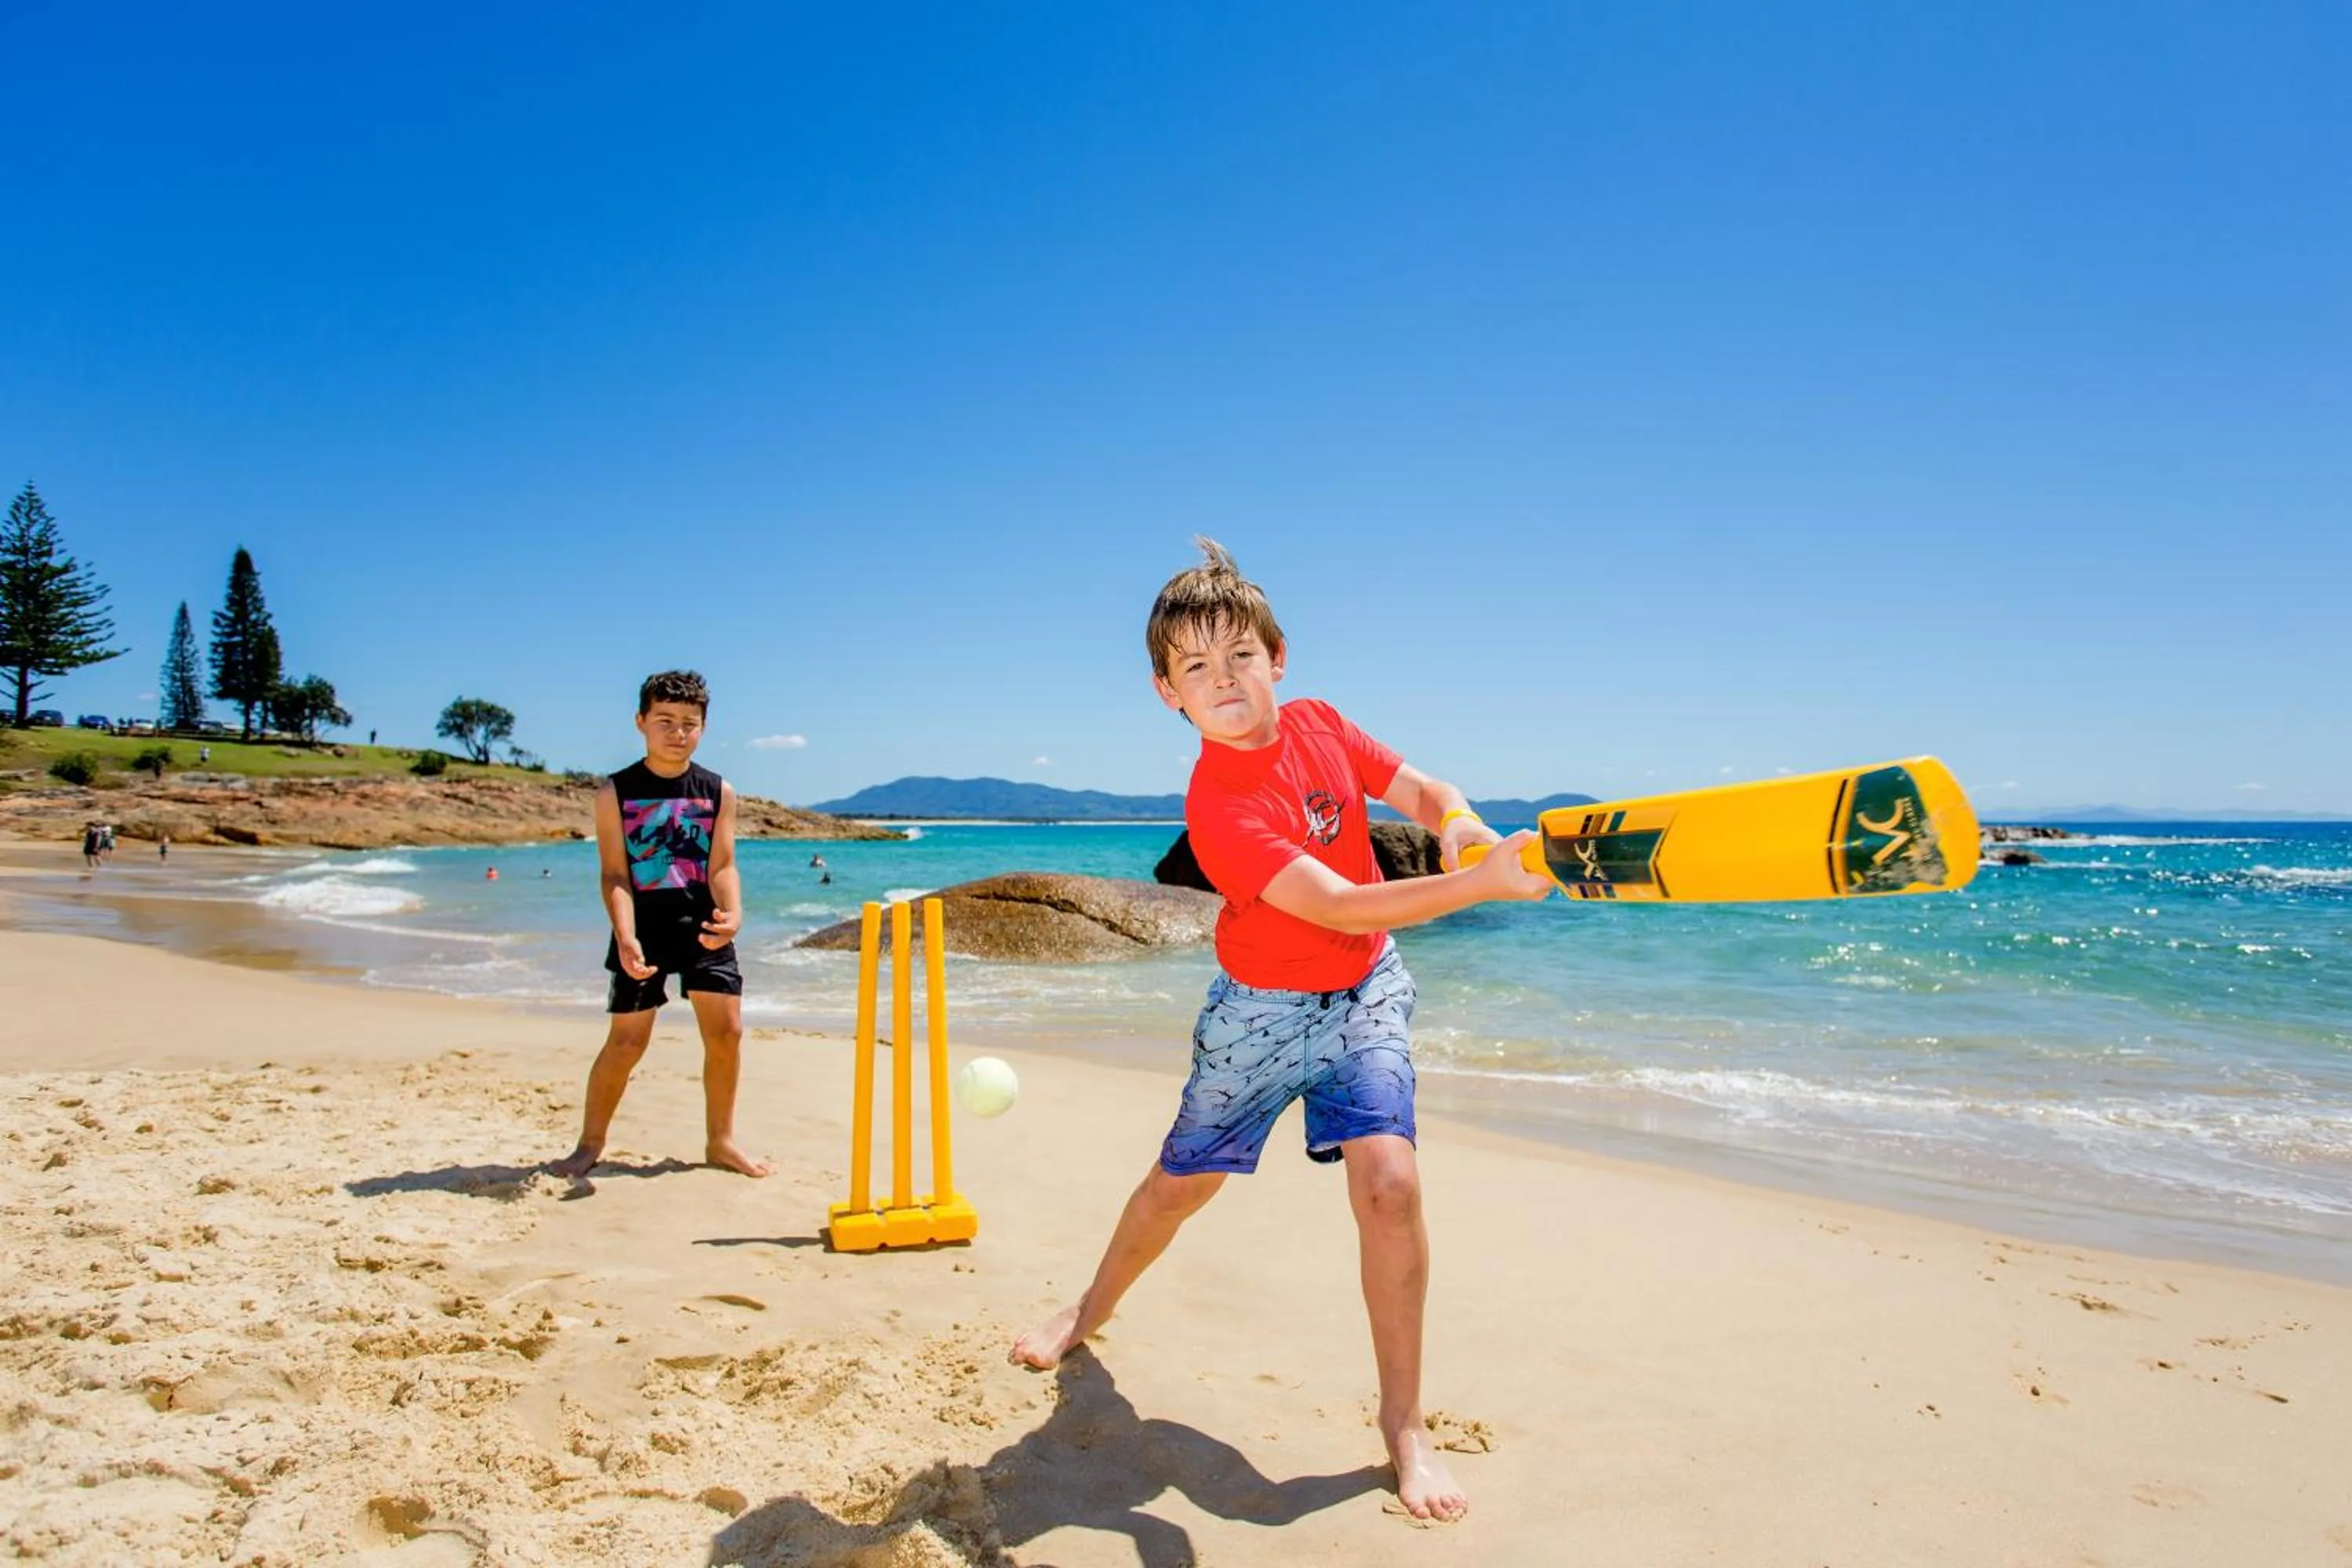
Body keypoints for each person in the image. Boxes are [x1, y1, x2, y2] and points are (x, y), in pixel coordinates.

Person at [1008, 540, 1553, 1524]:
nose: (1224, 679)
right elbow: (1337, 901)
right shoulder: (1217, 804)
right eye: (1196, 666)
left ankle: (1404, 1423)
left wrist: (1461, 822)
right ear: (1167, 690)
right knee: (1180, 1187)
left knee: (1391, 1185)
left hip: (1364, 993)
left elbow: (1421, 791)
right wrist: (1478, 886)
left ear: (1278, 656)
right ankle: (1089, 1307)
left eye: (1241, 655)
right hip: (1258, 1013)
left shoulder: (1321, 725)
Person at [551, 670, 770, 1181]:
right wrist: (625, 935)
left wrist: (735, 914)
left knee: (727, 1033)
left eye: (689, 723)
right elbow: (614, 874)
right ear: (641, 722)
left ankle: (721, 1143)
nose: (678, 732)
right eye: (665, 721)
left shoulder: (718, 790)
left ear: (703, 728)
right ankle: (589, 1144)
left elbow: (722, 865)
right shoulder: (616, 792)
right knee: (627, 1043)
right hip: (643, 928)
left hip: (705, 925)